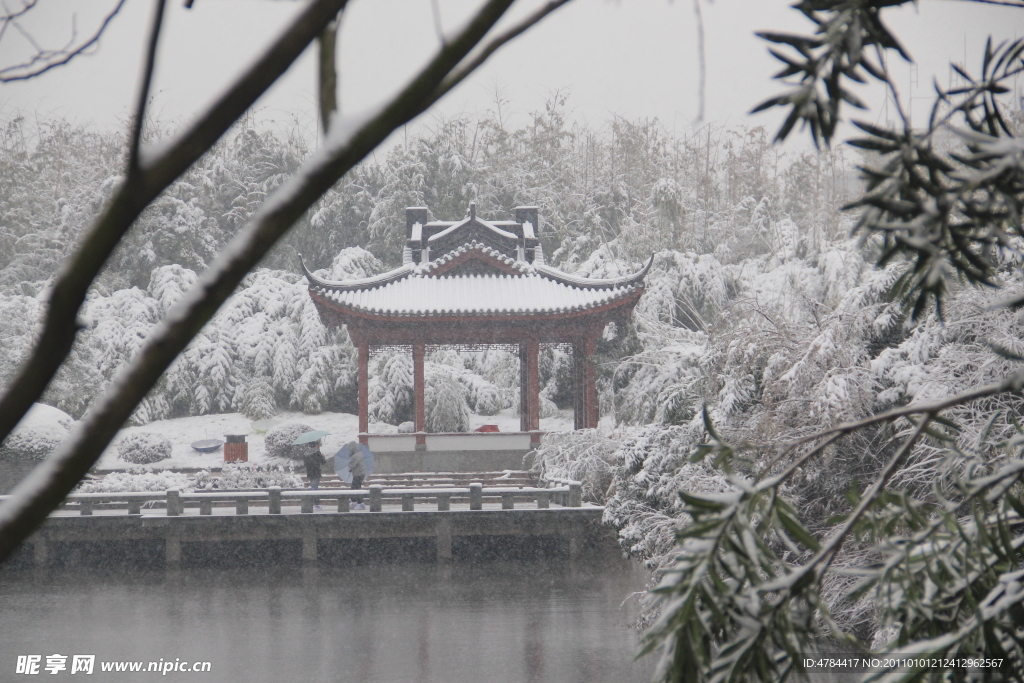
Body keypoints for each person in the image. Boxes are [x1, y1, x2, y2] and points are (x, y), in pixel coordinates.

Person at [302, 442, 326, 511]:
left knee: (313, 487)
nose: (318, 446)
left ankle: (313, 502)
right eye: (317, 445)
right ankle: (316, 504)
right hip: (316, 472)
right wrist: (323, 456)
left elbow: (305, 464)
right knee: (315, 488)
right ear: (315, 445)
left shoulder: (306, 453)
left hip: (310, 473)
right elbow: (323, 462)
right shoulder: (317, 453)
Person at [347, 440, 367, 510]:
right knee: (356, 487)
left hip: (358, 474)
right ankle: (355, 502)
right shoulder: (360, 454)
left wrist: (349, 464)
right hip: (361, 473)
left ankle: (360, 503)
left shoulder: (355, 456)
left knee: (355, 488)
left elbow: (352, 465)